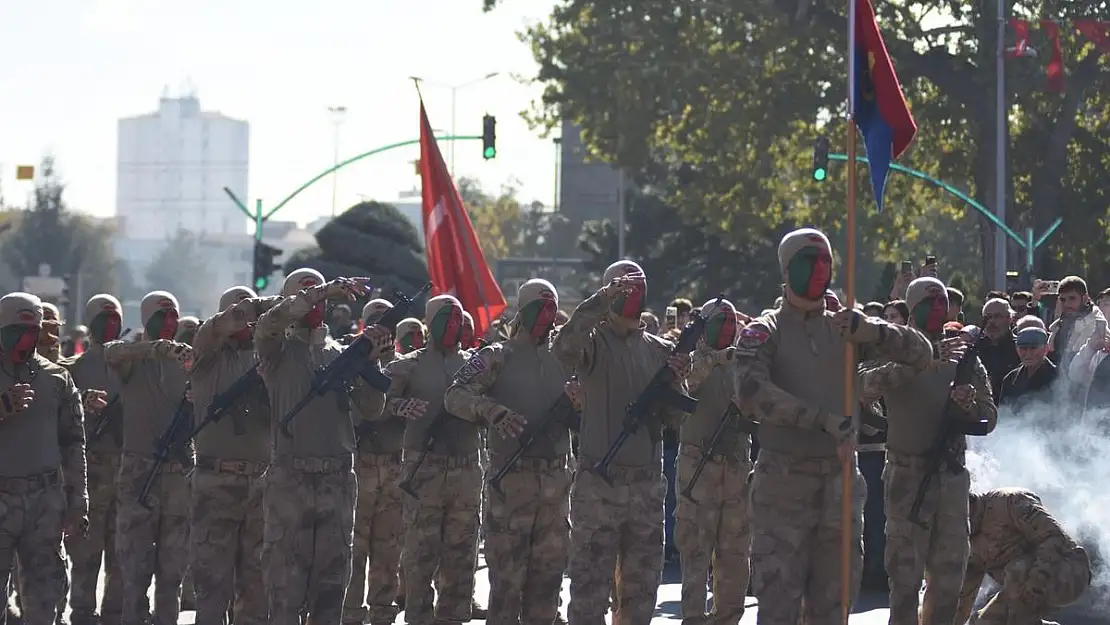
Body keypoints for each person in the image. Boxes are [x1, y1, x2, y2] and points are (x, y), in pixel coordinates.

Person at [732, 228, 938, 624]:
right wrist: (822, 421)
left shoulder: (844, 329)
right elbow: (752, 393)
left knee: (834, 607)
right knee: (779, 607)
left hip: (840, 486)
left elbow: (922, 354)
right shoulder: (765, 331)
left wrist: (874, 331)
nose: (820, 271)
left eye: (827, 262)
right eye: (811, 262)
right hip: (783, 485)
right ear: (788, 270)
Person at [552, 260, 693, 625]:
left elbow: (676, 419)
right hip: (599, 483)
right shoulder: (594, 343)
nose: (633, 293)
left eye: (638, 286)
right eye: (623, 287)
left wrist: (677, 381)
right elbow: (564, 347)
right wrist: (600, 300)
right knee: (589, 590)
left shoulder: (660, 350)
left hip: (646, 486)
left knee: (641, 591)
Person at [255, 270, 390, 625]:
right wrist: (323, 289)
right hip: (290, 476)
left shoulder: (341, 353)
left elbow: (372, 409)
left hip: (337, 478)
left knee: (331, 583)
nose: (316, 303)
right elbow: (272, 320)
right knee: (285, 584)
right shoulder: (275, 349)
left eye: (321, 298)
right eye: (307, 296)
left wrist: (371, 360)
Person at [859, 277, 996, 625]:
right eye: (929, 302)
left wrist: (967, 405)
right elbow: (862, 387)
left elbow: (989, 416)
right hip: (906, 474)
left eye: (942, 302)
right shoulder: (893, 349)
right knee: (904, 576)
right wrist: (917, 364)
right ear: (913, 307)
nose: (937, 309)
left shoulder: (962, 357)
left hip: (950, 475)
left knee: (950, 573)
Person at [444, 279, 572, 625]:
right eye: (539, 308)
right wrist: (492, 411)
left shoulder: (567, 358)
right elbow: (455, 395)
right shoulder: (497, 355)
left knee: (548, 582)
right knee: (507, 582)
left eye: (551, 308)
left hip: (556, 482)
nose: (547, 316)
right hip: (511, 481)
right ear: (523, 310)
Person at [189, 286, 280, 625]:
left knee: (256, 584)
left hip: (262, 482)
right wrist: (251, 308)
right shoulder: (207, 354)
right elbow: (211, 332)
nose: (248, 322)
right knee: (212, 582)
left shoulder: (270, 357)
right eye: (240, 314)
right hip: (216, 482)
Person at [104, 291, 194, 625]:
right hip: (139, 471)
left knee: (172, 574)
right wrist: (153, 348)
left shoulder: (185, 360)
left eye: (174, 316)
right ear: (147, 319)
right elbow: (111, 352)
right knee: (134, 572)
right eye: (162, 316)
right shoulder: (132, 358)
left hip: (177, 471)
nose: (170, 323)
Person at [0, 292, 88, 625]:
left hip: (44, 502)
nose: (24, 338)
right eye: (15, 329)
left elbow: (73, 442)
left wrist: (78, 500)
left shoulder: (57, 378)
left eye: (31, 330)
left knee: (44, 602)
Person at [675, 298, 753, 625]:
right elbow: (689, 381)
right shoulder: (692, 361)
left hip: (735, 468)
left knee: (734, 556)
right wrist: (720, 359)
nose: (728, 328)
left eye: (732, 323)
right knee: (696, 552)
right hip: (699, 467)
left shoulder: (743, 364)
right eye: (721, 322)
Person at [61, 295, 127, 625]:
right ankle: (83, 613)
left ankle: (114, 614)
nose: (111, 326)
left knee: (122, 556)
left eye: (115, 319)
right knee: (85, 556)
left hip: (128, 473)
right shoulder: (71, 370)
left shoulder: (133, 365)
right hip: (92, 472)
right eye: (104, 319)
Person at [343, 298, 408, 625]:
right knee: (354, 547)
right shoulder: (350, 362)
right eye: (376, 324)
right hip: (361, 462)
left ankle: (383, 612)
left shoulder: (405, 364)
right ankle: (351, 612)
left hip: (393, 464)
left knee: (388, 547)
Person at [956, 488, 1092, 624]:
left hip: (1067, 570)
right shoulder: (968, 545)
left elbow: (1053, 536)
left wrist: (1039, 576)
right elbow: (963, 599)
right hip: (1020, 588)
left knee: (1017, 572)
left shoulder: (1008, 502)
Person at [997, 326, 1058, 410]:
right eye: (1023, 348)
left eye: (1033, 348)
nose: (1028, 354)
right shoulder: (1010, 379)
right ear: (1016, 349)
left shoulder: (1057, 378)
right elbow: (1003, 414)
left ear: (1046, 349)